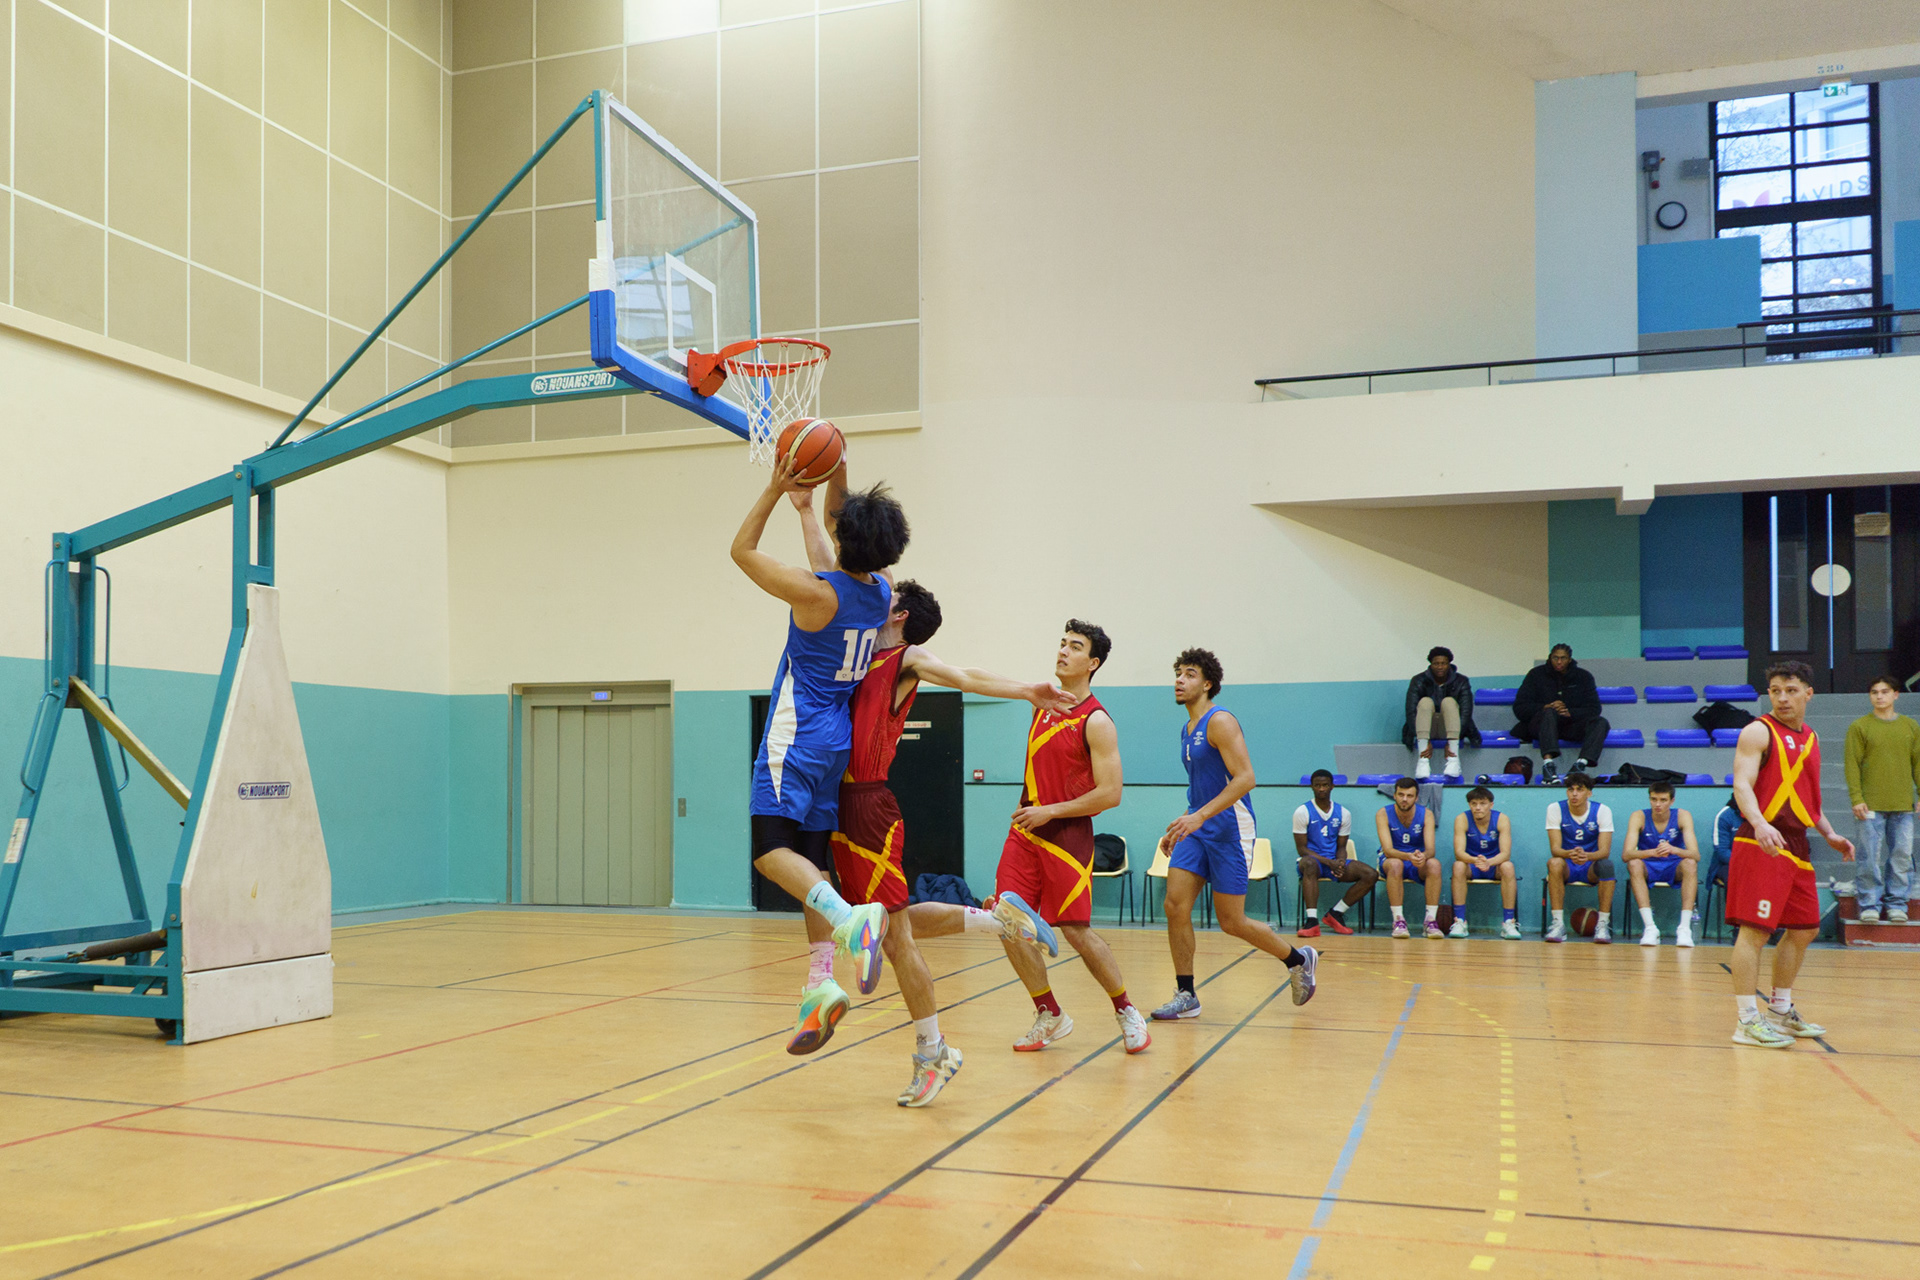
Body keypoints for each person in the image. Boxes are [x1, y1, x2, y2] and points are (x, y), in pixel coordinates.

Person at [803, 541, 1074, 1103]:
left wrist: (1026, 690)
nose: (874, 594)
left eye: (887, 596)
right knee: (889, 923)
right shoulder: (858, 652)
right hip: (839, 802)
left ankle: (934, 1052)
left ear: (898, 615)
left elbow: (964, 675)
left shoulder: (906, 659)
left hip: (867, 806)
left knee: (896, 938)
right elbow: (844, 572)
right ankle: (995, 920)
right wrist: (819, 515)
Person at [731, 458, 908, 1054]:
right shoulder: (879, 592)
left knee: (769, 851)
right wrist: (815, 500)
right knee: (810, 858)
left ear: (842, 535)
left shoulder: (813, 594)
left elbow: (741, 551)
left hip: (795, 735)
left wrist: (774, 490)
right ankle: (820, 982)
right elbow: (832, 559)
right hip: (836, 740)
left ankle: (852, 920)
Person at [989, 621, 1152, 1054]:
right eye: (1062, 643)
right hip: (1025, 830)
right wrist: (1035, 812)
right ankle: (1050, 1013)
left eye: (1075, 647)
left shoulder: (1097, 720)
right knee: (1007, 922)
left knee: (1077, 931)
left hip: (1066, 835)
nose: (1063, 651)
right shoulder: (1042, 705)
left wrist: (1051, 811)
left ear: (1092, 663)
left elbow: (1110, 793)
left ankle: (1126, 1010)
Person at [1150, 649, 1317, 1021]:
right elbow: (1205, 787)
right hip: (1198, 829)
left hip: (1229, 830)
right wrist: (1185, 821)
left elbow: (1245, 779)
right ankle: (1186, 994)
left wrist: (1200, 816)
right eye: (1178, 673)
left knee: (1231, 921)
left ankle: (1298, 960)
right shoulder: (1187, 730)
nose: (1179, 679)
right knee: (1175, 905)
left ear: (1207, 684)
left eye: (1189, 674)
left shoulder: (1220, 721)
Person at [1726, 662, 1855, 1049]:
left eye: (1791, 690)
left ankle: (1780, 1012)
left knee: (1804, 928)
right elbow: (1741, 784)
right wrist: (1760, 823)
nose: (1782, 698)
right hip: (1762, 840)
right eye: (1775, 690)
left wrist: (1829, 833)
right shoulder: (1757, 731)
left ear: (1808, 694)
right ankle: (1746, 1021)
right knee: (1755, 931)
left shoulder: (1811, 738)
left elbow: (1807, 798)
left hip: (1797, 844)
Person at [1843, 675, 1920, 923]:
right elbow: (1852, 765)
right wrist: (1856, 798)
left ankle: (1897, 904)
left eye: (1885, 691)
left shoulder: (1910, 726)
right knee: (1868, 857)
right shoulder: (1859, 727)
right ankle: (1869, 905)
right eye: (1874, 692)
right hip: (1869, 805)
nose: (1879, 696)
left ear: (1896, 695)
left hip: (1903, 805)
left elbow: (1918, 764)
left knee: (1901, 856)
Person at [1294, 769, 1378, 937]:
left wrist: (1340, 862)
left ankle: (1336, 913)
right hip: (1313, 862)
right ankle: (1312, 921)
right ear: (1312, 787)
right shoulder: (1302, 811)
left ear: (1332, 786)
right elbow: (1302, 849)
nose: (1321, 789)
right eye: (1317, 785)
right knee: (1309, 863)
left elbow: (1341, 846)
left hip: (1332, 861)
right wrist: (1329, 863)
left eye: (1325, 785)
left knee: (1370, 874)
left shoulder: (1343, 813)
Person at [1512, 644, 1611, 782]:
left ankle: (1580, 765)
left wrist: (1570, 712)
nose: (1559, 662)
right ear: (1550, 658)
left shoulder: (1584, 677)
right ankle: (1548, 765)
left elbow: (1594, 709)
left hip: (1570, 726)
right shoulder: (1535, 675)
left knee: (1601, 722)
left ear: (1569, 659)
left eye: (1563, 658)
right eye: (1555, 658)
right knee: (1549, 712)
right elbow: (1520, 707)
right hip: (1539, 726)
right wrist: (1545, 707)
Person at [1622, 781, 1698, 948]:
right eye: (1654, 799)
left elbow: (1695, 854)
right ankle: (1650, 928)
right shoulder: (1639, 816)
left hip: (1673, 864)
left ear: (1672, 801)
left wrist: (1673, 849)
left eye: (1663, 800)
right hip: (1649, 864)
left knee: (1690, 864)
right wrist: (1652, 852)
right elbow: (1626, 854)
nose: (1657, 804)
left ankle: (1684, 929)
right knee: (1634, 864)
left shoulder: (1682, 815)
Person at [1543, 772, 1614, 943]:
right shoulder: (1555, 808)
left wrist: (1586, 856)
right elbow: (1555, 849)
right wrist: (1571, 854)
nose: (1574, 794)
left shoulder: (1602, 810)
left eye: (1579, 790)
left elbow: (1604, 851)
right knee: (1554, 863)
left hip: (1590, 865)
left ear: (1589, 793)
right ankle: (1558, 924)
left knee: (1607, 865)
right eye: (1571, 789)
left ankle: (1602, 925)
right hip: (1567, 864)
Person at [1376, 778, 1442, 938]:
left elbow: (1431, 850)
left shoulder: (1427, 814)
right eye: (1401, 795)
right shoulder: (1383, 813)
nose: (1404, 799)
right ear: (1394, 795)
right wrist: (1408, 856)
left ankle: (1430, 921)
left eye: (1409, 796)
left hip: (1416, 860)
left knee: (1434, 864)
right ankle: (1398, 920)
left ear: (1416, 797)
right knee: (1396, 864)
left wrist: (1423, 856)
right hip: (1392, 859)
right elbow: (1388, 850)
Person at [1402, 646, 1481, 780]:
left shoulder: (1461, 681)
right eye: (1436, 663)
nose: (1440, 667)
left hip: (1451, 729)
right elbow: (1411, 712)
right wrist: (1424, 739)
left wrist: (1453, 739)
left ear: (1449, 664)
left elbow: (1466, 713)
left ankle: (1453, 758)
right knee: (1425, 702)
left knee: (1449, 702)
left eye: (1443, 663)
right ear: (1430, 664)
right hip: (1426, 729)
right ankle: (1423, 760)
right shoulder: (1418, 680)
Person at [1450, 786, 1520, 939]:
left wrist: (1489, 862)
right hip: (1472, 864)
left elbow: (1505, 854)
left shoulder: (1501, 819)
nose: (1478, 807)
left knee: (1508, 866)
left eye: (1482, 803)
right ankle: (1460, 921)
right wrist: (1475, 860)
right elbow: (1459, 853)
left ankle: (1508, 922)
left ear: (1491, 805)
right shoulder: (1462, 819)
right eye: (1474, 804)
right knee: (1458, 866)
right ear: (1469, 805)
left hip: (1494, 865)